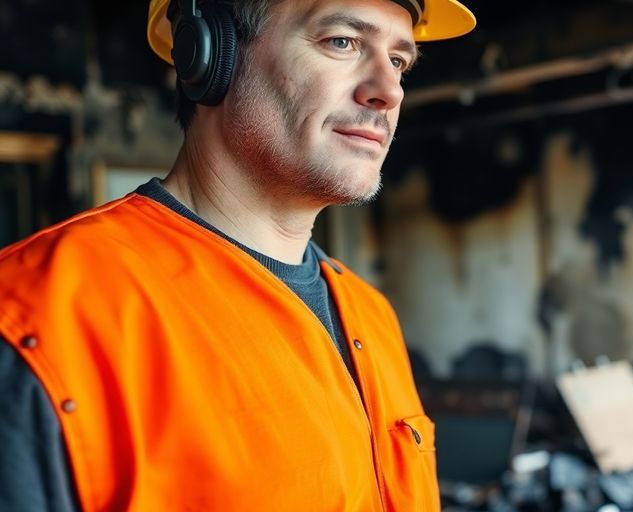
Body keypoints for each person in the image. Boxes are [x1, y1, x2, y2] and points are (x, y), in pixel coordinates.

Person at [0, 0, 474, 509]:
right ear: (207, 55)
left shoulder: (372, 316)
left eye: (399, 61)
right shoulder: (42, 314)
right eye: (343, 42)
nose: (388, 91)